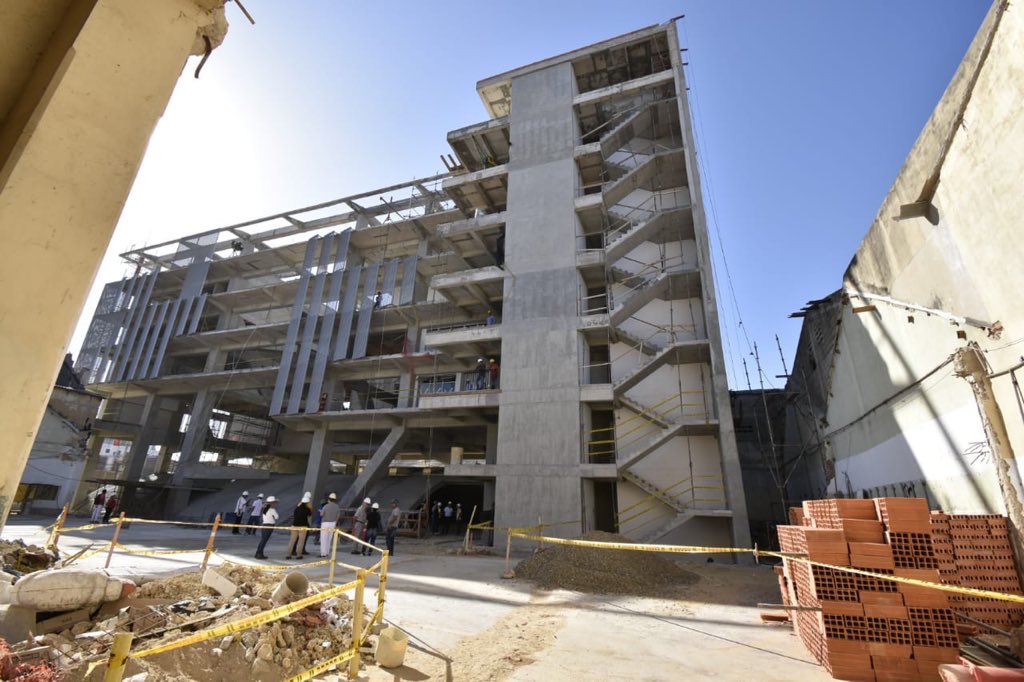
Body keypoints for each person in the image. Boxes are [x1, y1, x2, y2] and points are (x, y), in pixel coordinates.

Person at [286, 492, 313, 559]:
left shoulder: (297, 508)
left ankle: (289, 555)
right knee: (301, 541)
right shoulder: (307, 509)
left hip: (294, 526)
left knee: (292, 540)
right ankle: (299, 555)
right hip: (303, 526)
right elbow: (310, 515)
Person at [320, 492, 341, 557]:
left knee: (323, 538)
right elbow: (338, 516)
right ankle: (327, 552)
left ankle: (323, 553)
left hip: (325, 523)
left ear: (329, 499)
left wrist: (321, 512)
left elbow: (321, 514)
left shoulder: (326, 506)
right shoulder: (337, 507)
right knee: (329, 538)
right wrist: (335, 522)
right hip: (333, 523)